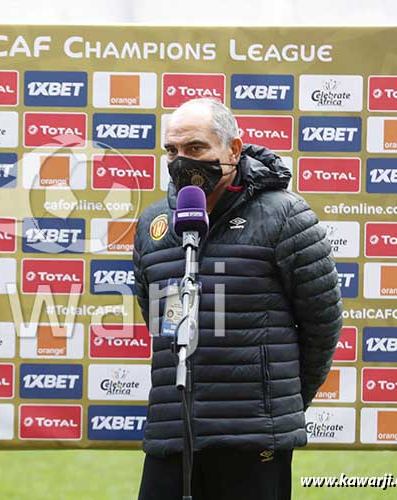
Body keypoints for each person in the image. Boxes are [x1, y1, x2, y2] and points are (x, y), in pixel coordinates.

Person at [133, 98, 342, 500]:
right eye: (171, 151)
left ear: (232, 150)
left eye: (196, 149)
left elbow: (322, 323)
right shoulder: (153, 225)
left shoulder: (284, 216)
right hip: (173, 433)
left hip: (254, 440)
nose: (181, 162)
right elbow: (159, 320)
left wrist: (276, 405)